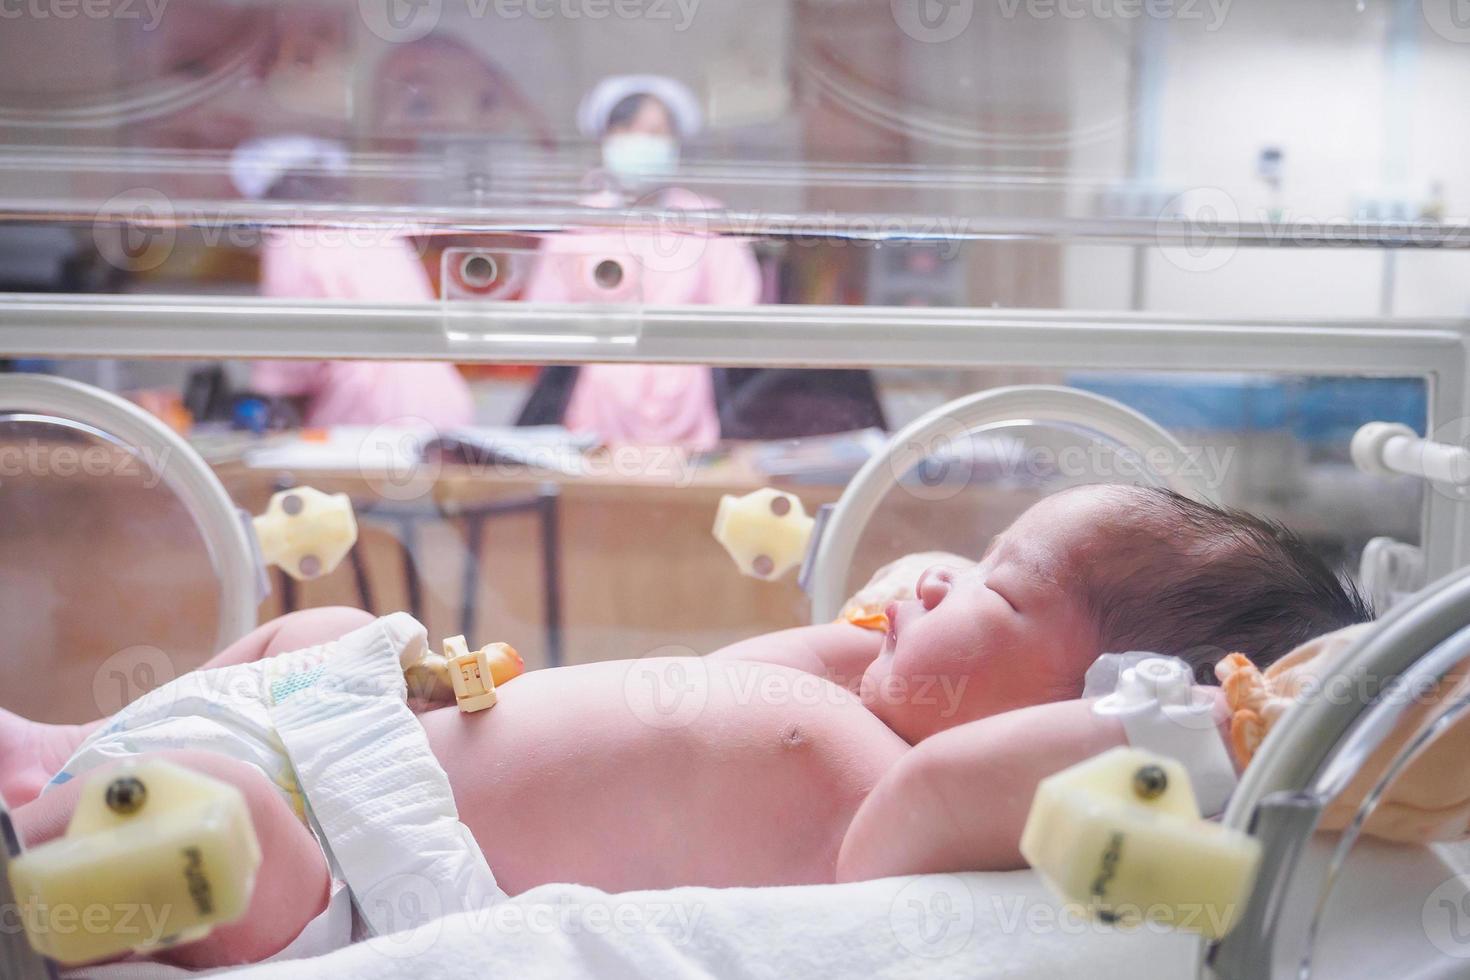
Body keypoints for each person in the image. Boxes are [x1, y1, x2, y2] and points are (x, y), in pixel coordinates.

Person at [2, 485, 1371, 970]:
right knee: (299, 637)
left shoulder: (901, 807)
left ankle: (39, 895)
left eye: (1001, 583)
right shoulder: (839, 703)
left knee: (202, 828)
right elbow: (747, 665)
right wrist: (904, 620)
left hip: (341, 857)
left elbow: (986, 772)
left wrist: (1204, 731)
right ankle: (45, 754)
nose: (937, 571)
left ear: (1092, 712)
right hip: (331, 719)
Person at [516, 76, 761, 451]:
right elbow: (544, 313)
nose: (640, 141)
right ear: (607, 139)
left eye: (655, 132)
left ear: (675, 143)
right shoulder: (580, 223)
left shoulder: (706, 219)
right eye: (627, 130)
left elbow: (740, 311)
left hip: (686, 403)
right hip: (600, 405)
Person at [231, 136, 475, 430]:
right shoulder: (377, 233)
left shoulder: (292, 242)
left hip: (365, 425)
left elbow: (287, 370)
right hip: (445, 413)